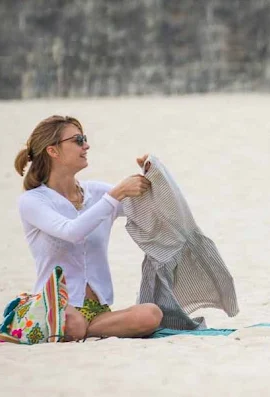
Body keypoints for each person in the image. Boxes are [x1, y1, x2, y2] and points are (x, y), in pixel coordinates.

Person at [13, 115, 163, 341]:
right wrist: (116, 194)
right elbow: (71, 231)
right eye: (78, 140)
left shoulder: (96, 192)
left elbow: (149, 212)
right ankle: (66, 328)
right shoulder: (33, 201)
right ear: (53, 151)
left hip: (97, 312)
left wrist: (152, 177)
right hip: (56, 308)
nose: (86, 145)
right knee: (72, 323)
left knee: (151, 314)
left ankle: (84, 329)